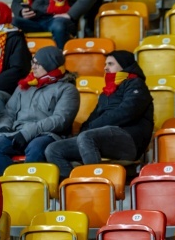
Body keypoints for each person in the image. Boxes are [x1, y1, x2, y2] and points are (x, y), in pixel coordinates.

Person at [45, 50, 154, 179]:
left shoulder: (136, 84)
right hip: (102, 137)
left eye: (110, 64)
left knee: (87, 137)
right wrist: (83, 131)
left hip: (129, 138)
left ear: (124, 65)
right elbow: (94, 116)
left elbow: (126, 112)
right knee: (53, 149)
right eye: (105, 64)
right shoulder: (107, 91)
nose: (105, 68)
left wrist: (90, 129)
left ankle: (97, 185)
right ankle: (77, 184)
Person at [0, 46, 79, 175]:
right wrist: (3, 128)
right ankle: (18, 182)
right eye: (33, 62)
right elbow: (9, 112)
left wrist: (27, 132)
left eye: (38, 64)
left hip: (47, 134)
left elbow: (60, 120)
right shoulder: (25, 86)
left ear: (50, 66)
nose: (33, 67)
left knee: (35, 148)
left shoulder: (67, 89)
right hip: (17, 133)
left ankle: (31, 187)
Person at [11, 0, 98, 49]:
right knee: (13, 22)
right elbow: (17, 1)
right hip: (35, 19)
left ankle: (63, 66)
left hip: (60, 18)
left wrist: (71, 14)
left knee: (58, 26)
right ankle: (19, 63)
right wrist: (21, 11)